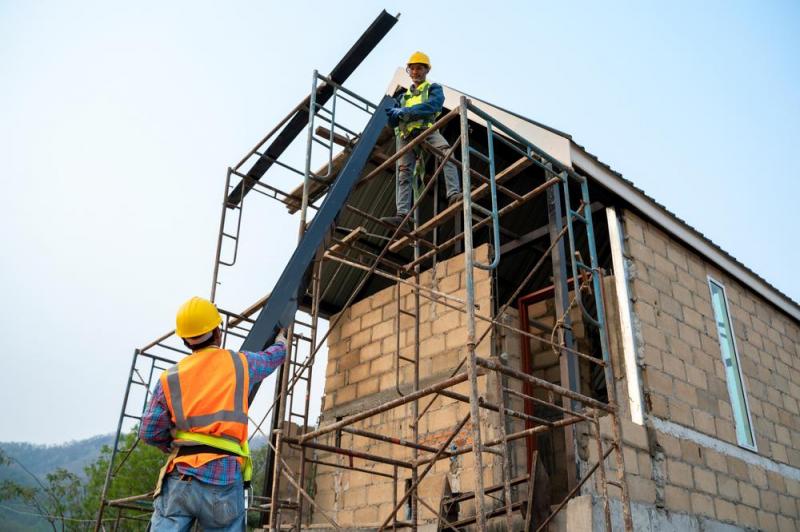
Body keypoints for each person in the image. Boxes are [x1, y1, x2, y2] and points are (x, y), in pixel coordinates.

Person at [139, 296, 287, 531]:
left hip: (180, 475)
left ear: (185, 340)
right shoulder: (240, 363)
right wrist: (281, 343)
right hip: (223, 477)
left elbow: (148, 431)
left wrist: (171, 445)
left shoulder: (170, 377)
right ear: (217, 332)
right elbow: (271, 360)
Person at [382, 51, 462, 226]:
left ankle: (454, 194)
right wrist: (393, 114)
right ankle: (402, 215)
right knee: (404, 174)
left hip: (427, 130)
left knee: (446, 154)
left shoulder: (433, 89)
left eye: (420, 68)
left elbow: (433, 105)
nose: (416, 72)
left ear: (426, 71)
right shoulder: (402, 97)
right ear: (409, 72)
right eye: (413, 69)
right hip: (405, 136)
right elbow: (392, 122)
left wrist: (405, 112)